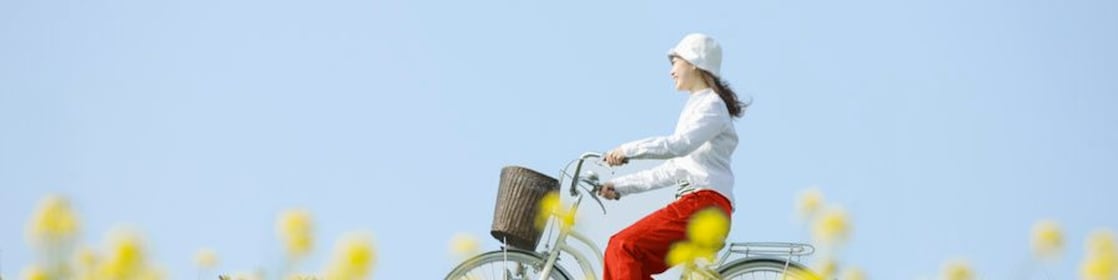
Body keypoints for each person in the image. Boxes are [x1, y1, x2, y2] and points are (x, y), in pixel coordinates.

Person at [596, 33, 749, 280]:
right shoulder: (698, 105)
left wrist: (627, 150)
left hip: (703, 205)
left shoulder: (711, 106)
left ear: (694, 63)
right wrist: (620, 186)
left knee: (623, 246)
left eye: (675, 62)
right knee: (628, 260)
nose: (671, 71)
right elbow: (673, 168)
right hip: (699, 204)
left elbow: (678, 146)